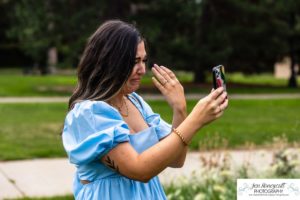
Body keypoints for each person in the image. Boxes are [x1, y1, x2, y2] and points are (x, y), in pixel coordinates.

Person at [62, 19, 228, 200]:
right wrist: (195, 120)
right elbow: (139, 170)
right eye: (134, 61)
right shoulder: (89, 113)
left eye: (144, 60)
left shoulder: (136, 102)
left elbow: (176, 160)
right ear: (110, 62)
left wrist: (180, 110)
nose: (142, 69)